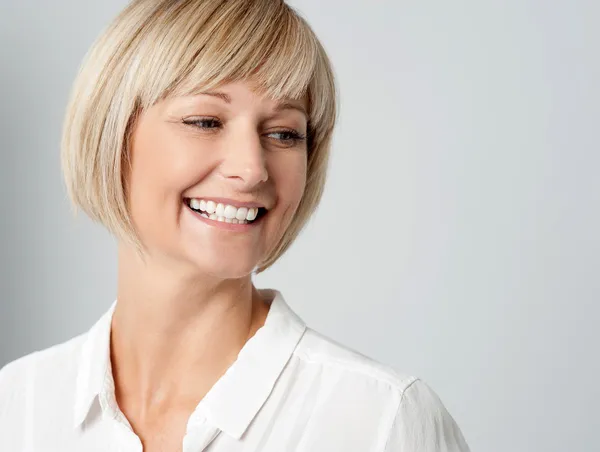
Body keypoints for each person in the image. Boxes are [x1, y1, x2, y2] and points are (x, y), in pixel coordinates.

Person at [0, 0, 470, 450]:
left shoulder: (382, 422)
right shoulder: (16, 407)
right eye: (206, 121)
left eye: (284, 133)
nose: (252, 169)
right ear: (112, 135)